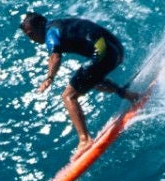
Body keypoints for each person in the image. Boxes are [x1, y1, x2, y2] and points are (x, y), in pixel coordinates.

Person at [20, 12, 137, 156]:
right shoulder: (58, 24)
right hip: (116, 50)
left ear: (39, 26)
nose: (32, 39)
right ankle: (130, 95)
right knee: (92, 80)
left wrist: (49, 78)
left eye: (31, 34)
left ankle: (84, 139)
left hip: (105, 54)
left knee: (68, 96)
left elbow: (55, 56)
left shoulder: (50, 33)